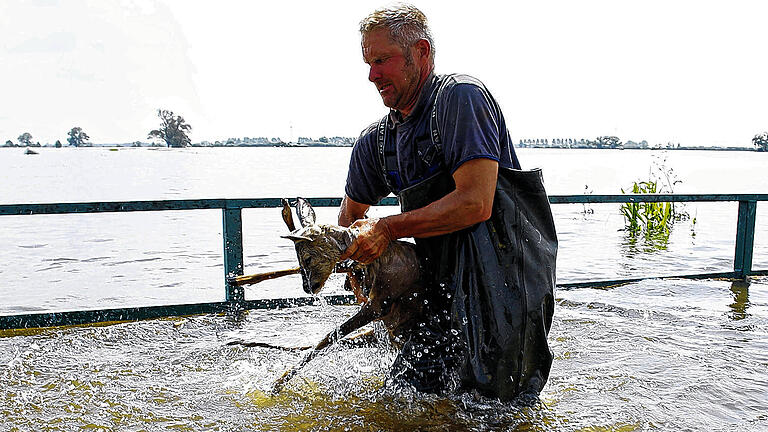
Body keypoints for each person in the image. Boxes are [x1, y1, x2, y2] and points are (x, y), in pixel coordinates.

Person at [339, 4, 557, 403]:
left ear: (421, 52)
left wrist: (387, 229)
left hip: (502, 293)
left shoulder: (460, 99)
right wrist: (360, 267)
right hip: (431, 302)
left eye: (382, 60)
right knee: (406, 404)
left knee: (500, 411)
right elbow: (350, 217)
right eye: (368, 63)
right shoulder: (376, 143)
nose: (372, 76)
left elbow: (475, 203)